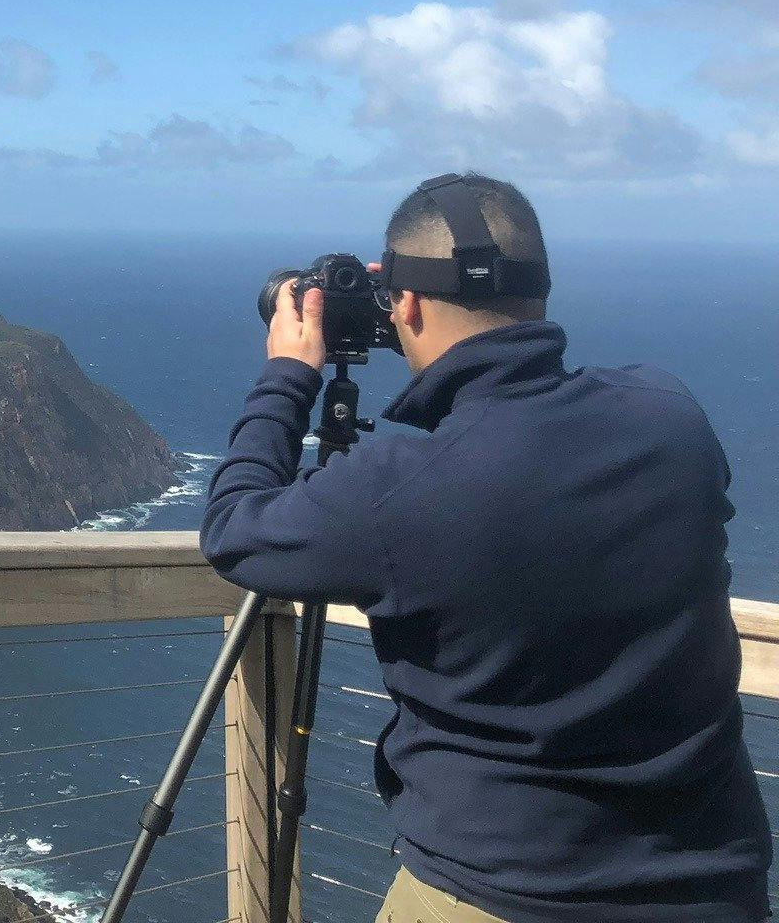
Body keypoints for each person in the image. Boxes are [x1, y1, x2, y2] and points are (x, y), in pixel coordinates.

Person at [201, 172, 771, 922]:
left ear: (402, 304)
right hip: (709, 888)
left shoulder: (397, 488)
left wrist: (286, 376)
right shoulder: (671, 418)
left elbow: (236, 527)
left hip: (496, 893)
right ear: (540, 291)